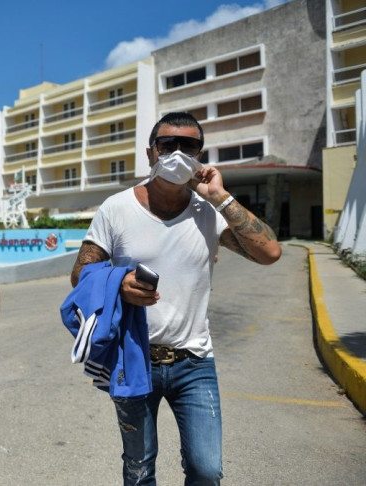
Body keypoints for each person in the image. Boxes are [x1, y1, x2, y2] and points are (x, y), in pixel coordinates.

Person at [70, 112, 281, 485]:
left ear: (201, 156)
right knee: (139, 468)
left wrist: (221, 196)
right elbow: (80, 275)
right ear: (151, 153)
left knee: (206, 469)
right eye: (168, 145)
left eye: (189, 146)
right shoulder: (117, 208)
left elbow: (269, 253)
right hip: (134, 359)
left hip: (195, 362)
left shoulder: (209, 212)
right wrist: (118, 284)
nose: (178, 153)